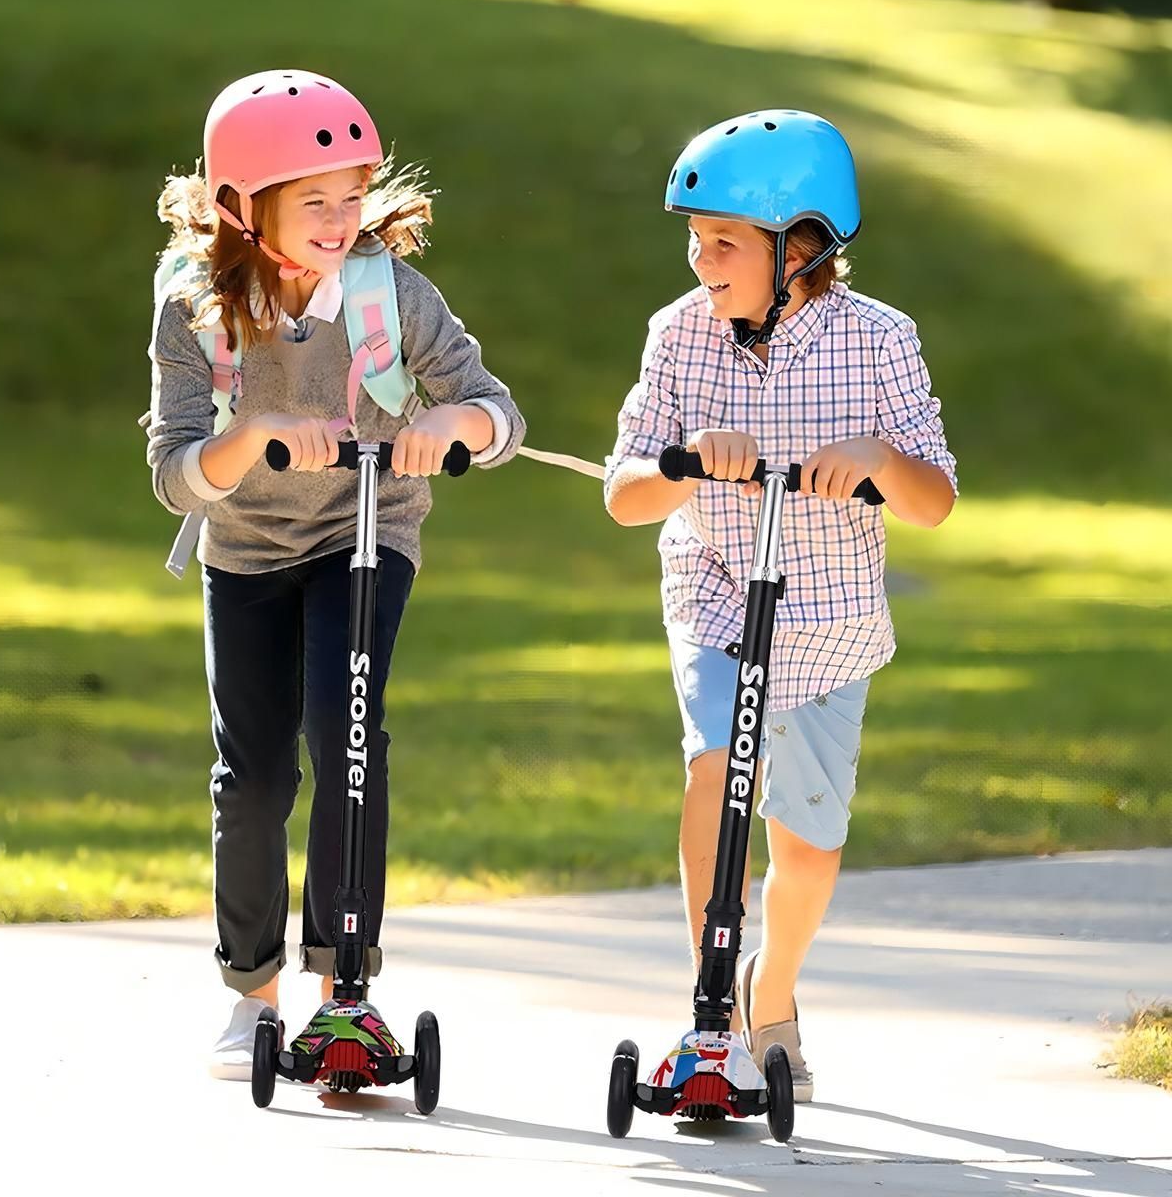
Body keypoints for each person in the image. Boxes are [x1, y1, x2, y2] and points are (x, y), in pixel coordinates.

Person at [144, 69, 525, 1078]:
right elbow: (176, 476)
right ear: (240, 205)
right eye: (314, 199)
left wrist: (452, 423)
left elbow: (497, 412)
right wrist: (259, 435)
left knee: (346, 734)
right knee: (257, 774)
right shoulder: (195, 306)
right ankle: (251, 992)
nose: (341, 217)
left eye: (352, 194)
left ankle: (343, 990)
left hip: (367, 531)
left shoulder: (389, 292)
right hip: (245, 548)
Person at [604, 110, 957, 1101]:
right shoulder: (679, 336)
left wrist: (881, 462)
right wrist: (683, 465)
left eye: (724, 242)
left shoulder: (881, 343)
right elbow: (624, 495)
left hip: (832, 623)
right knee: (714, 767)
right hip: (718, 596)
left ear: (801, 249)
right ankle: (710, 1006)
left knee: (807, 850)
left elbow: (934, 502)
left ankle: (774, 990)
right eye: (694, 239)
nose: (701, 261)